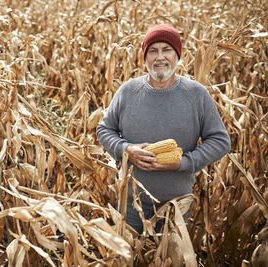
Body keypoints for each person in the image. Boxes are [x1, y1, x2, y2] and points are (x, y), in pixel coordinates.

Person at [96, 24, 231, 234]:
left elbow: (220, 141)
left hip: (176, 204)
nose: (160, 57)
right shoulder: (127, 92)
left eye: (166, 50)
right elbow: (104, 129)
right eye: (153, 51)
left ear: (177, 56)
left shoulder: (196, 94)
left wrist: (183, 162)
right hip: (132, 201)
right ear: (144, 58)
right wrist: (126, 150)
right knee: (127, 258)